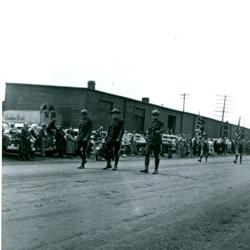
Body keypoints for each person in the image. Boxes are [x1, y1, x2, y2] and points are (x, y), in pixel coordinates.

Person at [140, 109, 165, 174]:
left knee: (156, 155)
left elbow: (163, 129)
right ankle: (146, 168)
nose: (154, 116)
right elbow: (149, 130)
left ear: (158, 116)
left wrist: (158, 131)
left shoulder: (161, 122)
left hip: (157, 141)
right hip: (150, 140)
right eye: (153, 115)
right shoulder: (151, 122)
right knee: (147, 154)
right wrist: (147, 133)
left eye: (156, 115)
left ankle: (156, 169)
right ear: (152, 116)